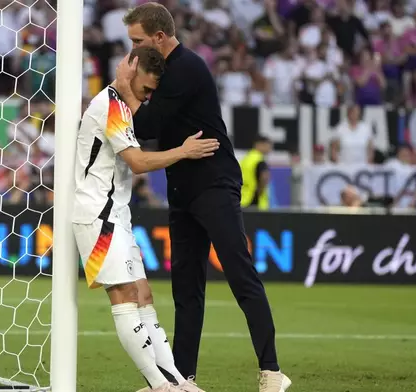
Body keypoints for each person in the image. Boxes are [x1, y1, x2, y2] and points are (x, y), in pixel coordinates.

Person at [114, 3, 291, 392]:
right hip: (183, 188)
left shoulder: (186, 68)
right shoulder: (166, 71)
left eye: (138, 41)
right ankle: (182, 379)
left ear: (159, 38)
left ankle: (272, 371)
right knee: (186, 290)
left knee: (240, 274)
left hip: (213, 183)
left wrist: (125, 87)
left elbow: (146, 125)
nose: (132, 52)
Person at [72, 46, 218, 392]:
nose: (148, 97)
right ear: (130, 70)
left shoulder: (121, 104)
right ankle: (159, 385)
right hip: (97, 214)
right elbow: (137, 163)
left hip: (116, 213)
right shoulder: (110, 106)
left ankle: (177, 380)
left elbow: (131, 134)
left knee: (143, 294)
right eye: (146, 90)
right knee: (124, 294)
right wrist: (183, 152)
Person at [240, 136, 273, 210]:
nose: (269, 149)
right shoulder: (259, 159)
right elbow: (264, 177)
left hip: (243, 199)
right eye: (268, 146)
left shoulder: (246, 159)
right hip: (255, 201)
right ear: (259, 145)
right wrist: (259, 193)